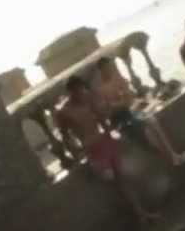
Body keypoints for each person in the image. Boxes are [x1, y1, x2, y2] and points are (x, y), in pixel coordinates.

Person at [53, 75, 157, 222]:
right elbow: (64, 136)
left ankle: (142, 213)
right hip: (91, 149)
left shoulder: (88, 99)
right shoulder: (64, 112)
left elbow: (102, 119)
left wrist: (113, 135)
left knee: (123, 180)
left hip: (104, 142)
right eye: (76, 91)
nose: (80, 93)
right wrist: (76, 153)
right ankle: (135, 214)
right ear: (70, 92)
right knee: (110, 178)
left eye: (81, 89)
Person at [91, 57, 185, 167]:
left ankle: (172, 155)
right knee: (146, 134)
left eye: (110, 67)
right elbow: (109, 109)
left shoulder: (117, 78)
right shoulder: (100, 89)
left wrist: (119, 101)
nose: (109, 69)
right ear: (101, 70)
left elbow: (129, 97)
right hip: (119, 119)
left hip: (130, 111)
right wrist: (121, 101)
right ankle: (170, 158)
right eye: (106, 68)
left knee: (153, 122)